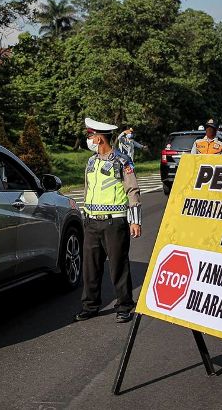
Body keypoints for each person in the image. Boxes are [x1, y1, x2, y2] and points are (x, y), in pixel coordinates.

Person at [74, 118, 141, 324]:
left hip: (114, 223)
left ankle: (124, 306)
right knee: (90, 267)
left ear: (99, 139)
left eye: (91, 136)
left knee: (118, 266)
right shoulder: (91, 161)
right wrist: (85, 215)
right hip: (92, 222)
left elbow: (132, 190)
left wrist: (135, 221)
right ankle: (90, 306)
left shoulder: (122, 161)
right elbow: (87, 189)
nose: (89, 139)